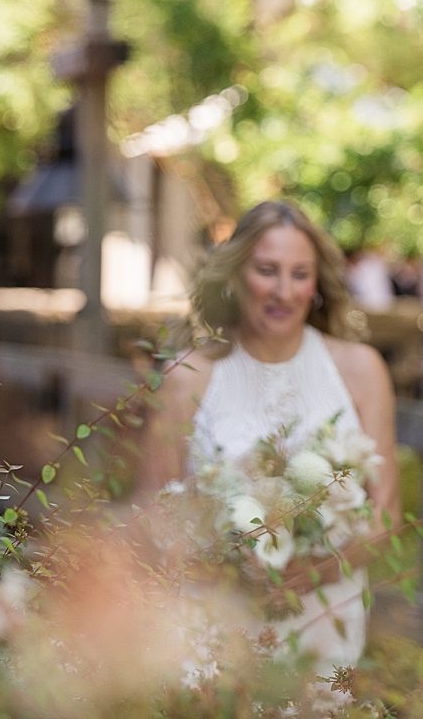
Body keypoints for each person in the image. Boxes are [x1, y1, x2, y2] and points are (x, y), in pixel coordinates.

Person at [138, 200, 402, 672]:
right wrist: (230, 567)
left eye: (300, 274)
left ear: (317, 283)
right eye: (267, 270)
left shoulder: (361, 371)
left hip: (325, 619)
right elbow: (152, 512)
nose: (284, 291)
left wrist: (312, 573)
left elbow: (387, 518)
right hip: (215, 624)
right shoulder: (187, 378)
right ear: (236, 275)